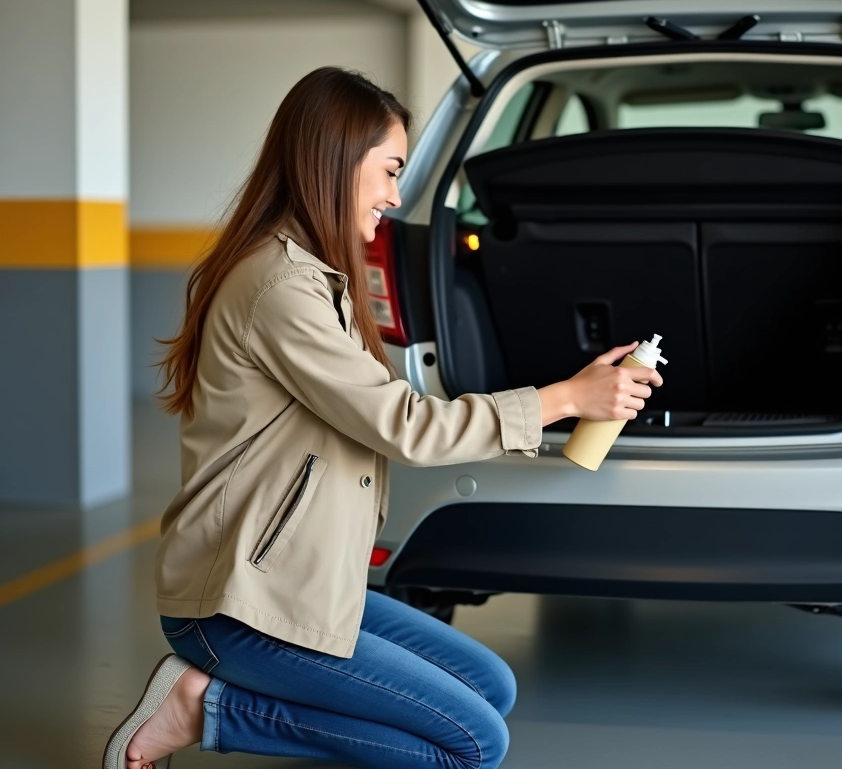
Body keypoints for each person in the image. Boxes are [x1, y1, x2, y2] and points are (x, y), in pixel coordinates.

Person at [104, 66, 661, 769]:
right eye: (391, 171)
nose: (396, 197)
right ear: (334, 161)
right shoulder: (281, 288)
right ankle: (206, 707)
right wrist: (566, 399)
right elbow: (405, 425)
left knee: (492, 686)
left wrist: (569, 398)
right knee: (475, 744)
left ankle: (210, 701)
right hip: (235, 606)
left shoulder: (314, 276)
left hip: (302, 581)